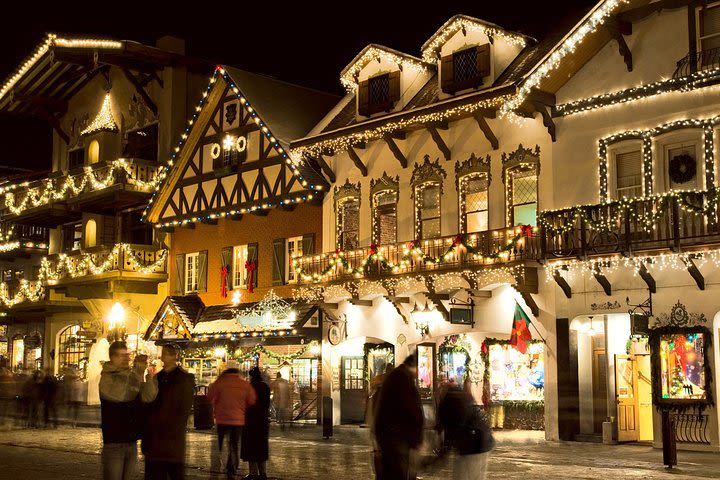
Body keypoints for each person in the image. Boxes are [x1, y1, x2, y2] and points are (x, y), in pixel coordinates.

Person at [100, 341, 158, 480]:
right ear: (112, 358)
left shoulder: (132, 375)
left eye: (127, 355)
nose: (126, 358)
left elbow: (148, 397)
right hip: (114, 443)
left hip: (131, 442)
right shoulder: (106, 377)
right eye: (121, 356)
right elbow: (122, 396)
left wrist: (148, 376)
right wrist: (137, 373)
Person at [143, 345, 194, 480]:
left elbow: (184, 408)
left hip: (173, 439)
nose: (164, 357)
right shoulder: (157, 377)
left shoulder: (184, 378)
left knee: (174, 473)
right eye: (163, 354)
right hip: (156, 439)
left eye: (167, 354)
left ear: (174, 356)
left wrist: (173, 428)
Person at [373, 354, 423, 480]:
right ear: (413, 366)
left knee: (390, 473)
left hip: (389, 437)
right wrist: (416, 438)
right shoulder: (403, 378)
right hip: (397, 438)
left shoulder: (395, 377)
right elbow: (411, 409)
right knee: (397, 473)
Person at [207, 364, 257, 479]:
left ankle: (217, 468)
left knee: (219, 444)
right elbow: (252, 400)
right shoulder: (244, 384)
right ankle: (232, 469)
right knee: (234, 445)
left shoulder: (220, 382)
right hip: (238, 420)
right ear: (237, 373)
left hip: (221, 419)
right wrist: (242, 407)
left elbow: (209, 396)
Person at [437, 383, 494, 480]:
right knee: (465, 475)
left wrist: (444, 452)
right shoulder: (458, 399)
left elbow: (454, 428)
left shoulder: (452, 403)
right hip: (477, 442)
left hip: (475, 444)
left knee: (466, 476)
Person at [241, 366, 270, 480]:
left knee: (251, 446)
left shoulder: (249, 387)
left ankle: (253, 473)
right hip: (262, 421)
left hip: (251, 421)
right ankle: (263, 473)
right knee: (261, 447)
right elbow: (267, 403)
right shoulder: (265, 387)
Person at [367, 364, 394, 479]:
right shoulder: (391, 392)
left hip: (382, 435)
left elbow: (371, 417)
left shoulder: (377, 394)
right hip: (388, 436)